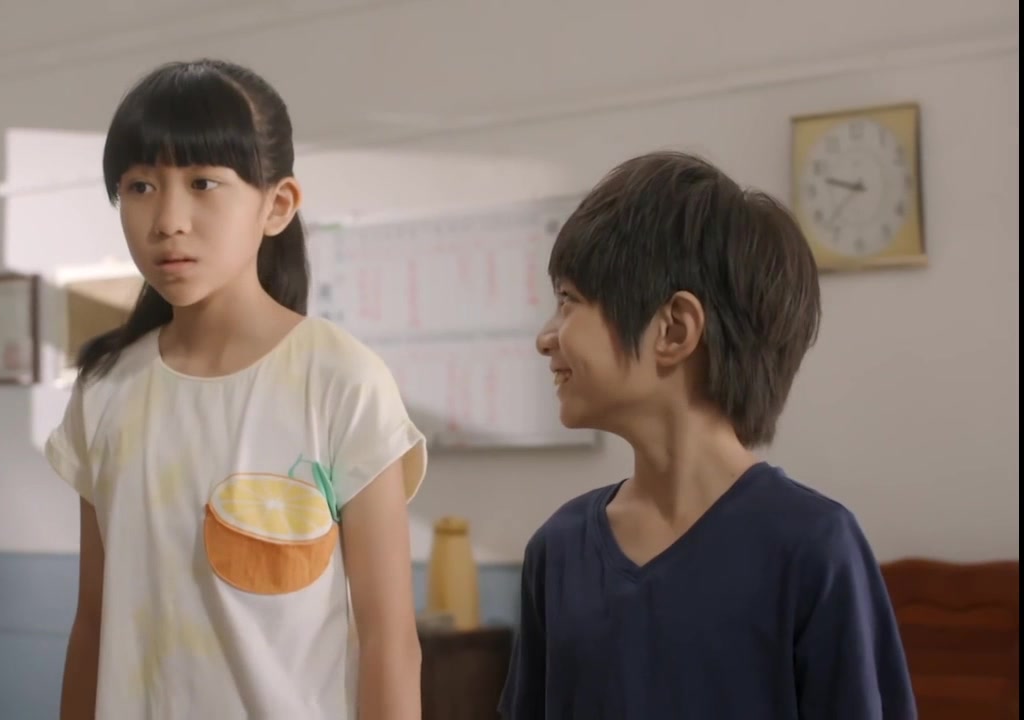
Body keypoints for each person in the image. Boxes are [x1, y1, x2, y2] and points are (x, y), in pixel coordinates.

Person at [47, 59, 428, 720]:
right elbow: (93, 623)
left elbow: (389, 643)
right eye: (140, 186)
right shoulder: (106, 390)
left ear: (276, 206)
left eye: (203, 183)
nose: (168, 219)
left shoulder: (340, 381)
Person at [499, 151, 917, 719]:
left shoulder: (813, 548)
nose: (546, 338)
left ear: (674, 329)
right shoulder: (558, 551)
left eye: (569, 300)